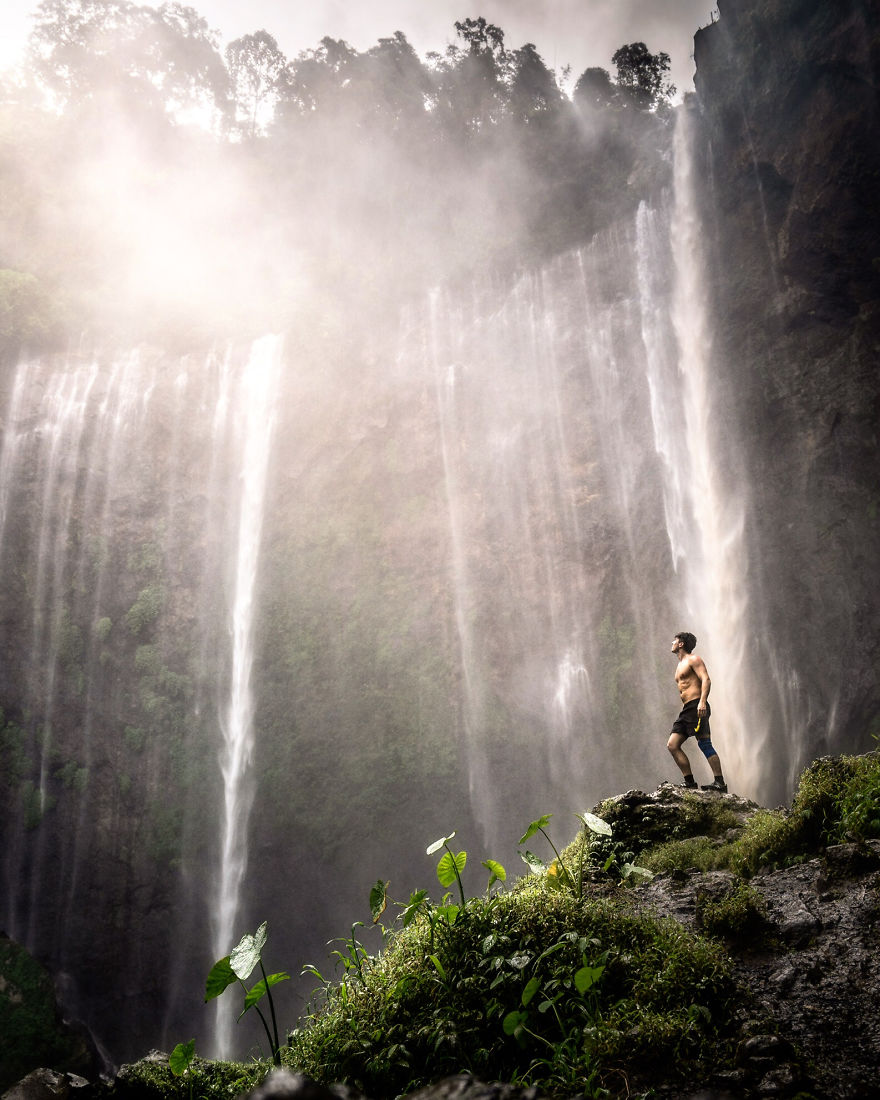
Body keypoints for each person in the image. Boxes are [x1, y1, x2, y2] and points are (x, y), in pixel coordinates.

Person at [666, 631, 727, 792]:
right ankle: (690, 782)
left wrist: (702, 702)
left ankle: (719, 782)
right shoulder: (679, 665)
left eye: (674, 640)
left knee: (704, 743)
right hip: (687, 710)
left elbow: (706, 679)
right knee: (672, 745)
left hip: (697, 706)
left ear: (681, 644)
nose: (671, 643)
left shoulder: (694, 659)